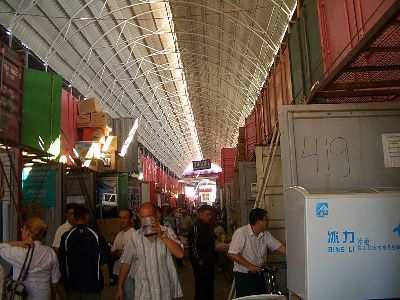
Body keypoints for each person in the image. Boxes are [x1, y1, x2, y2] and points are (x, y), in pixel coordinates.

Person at [115, 202, 184, 300]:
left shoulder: (167, 232)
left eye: (149, 216)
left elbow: (180, 254)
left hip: (165, 292)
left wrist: (162, 236)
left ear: (156, 216)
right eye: (142, 217)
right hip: (144, 292)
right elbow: (126, 262)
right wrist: (119, 288)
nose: (146, 220)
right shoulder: (135, 237)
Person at [228, 208, 286, 297]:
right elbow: (232, 254)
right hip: (244, 277)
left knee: (261, 298)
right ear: (259, 221)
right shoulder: (241, 233)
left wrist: (294, 255)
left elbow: (278, 246)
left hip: (259, 274)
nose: (268, 222)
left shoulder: (265, 234)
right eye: (266, 220)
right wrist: (250, 266)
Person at [0, 218, 60, 299]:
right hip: (44, 294)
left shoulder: (19, 252)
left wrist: (19, 243)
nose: (22, 231)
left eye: (23, 229)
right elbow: (54, 280)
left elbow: (1, 247)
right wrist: (53, 297)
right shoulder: (50, 253)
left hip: (21, 295)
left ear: (29, 232)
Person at [58, 205, 110, 300]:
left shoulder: (66, 236)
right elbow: (105, 257)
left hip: (72, 284)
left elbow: (61, 260)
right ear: (87, 216)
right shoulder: (96, 235)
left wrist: (65, 280)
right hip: (92, 284)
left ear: (74, 217)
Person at [188, 205, 216, 300]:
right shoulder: (196, 227)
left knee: (208, 285)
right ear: (200, 215)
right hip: (201, 263)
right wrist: (199, 259)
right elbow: (193, 245)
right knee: (201, 286)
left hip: (208, 261)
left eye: (210, 214)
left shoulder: (206, 226)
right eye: (207, 214)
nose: (209, 217)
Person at [111, 209, 135, 299]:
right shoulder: (119, 234)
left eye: (124, 218)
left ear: (131, 219)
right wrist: (117, 252)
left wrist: (118, 252)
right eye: (120, 218)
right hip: (119, 272)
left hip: (130, 274)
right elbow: (113, 253)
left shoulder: (134, 235)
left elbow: (123, 255)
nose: (121, 221)